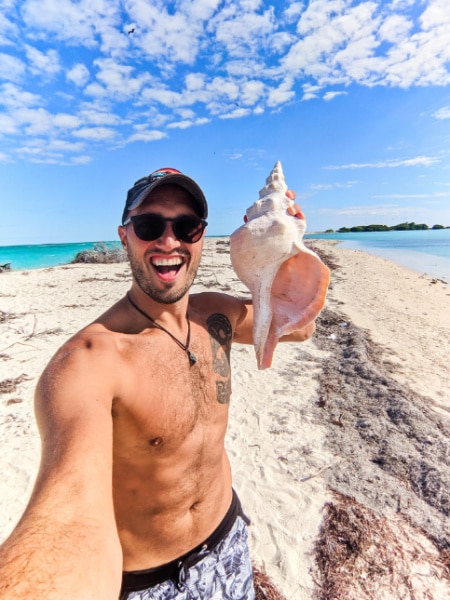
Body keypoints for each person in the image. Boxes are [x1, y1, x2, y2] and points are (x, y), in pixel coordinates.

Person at [0, 167, 316, 599]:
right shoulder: (87, 363)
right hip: (152, 582)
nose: (169, 241)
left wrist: (287, 250)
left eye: (187, 226)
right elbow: (66, 515)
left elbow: (296, 327)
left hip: (229, 541)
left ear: (202, 236)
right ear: (124, 235)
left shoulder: (216, 316)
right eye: (150, 225)